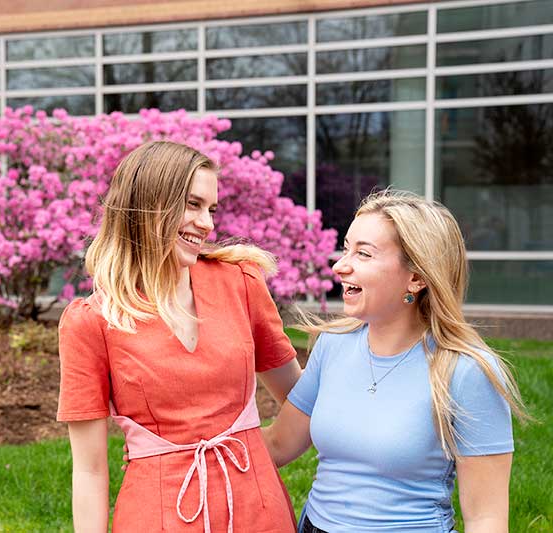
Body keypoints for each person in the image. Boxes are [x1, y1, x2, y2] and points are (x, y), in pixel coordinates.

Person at [57, 140, 303, 532]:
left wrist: (262, 451)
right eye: (192, 204)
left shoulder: (241, 282)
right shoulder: (92, 321)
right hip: (157, 515)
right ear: (147, 206)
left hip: (258, 510)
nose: (207, 223)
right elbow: (88, 470)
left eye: (211, 209)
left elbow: (301, 398)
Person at [263, 190, 527, 533]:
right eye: (346, 248)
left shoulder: (467, 372)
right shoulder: (333, 345)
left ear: (416, 278)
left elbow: (486, 518)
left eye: (363, 253)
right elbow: (279, 445)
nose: (341, 265)